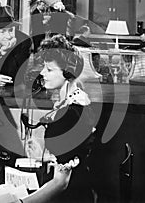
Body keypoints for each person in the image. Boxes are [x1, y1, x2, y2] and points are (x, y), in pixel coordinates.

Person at [25, 34, 96, 202]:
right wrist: (42, 152)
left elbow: (61, 183)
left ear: (68, 73)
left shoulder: (71, 114)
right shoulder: (75, 99)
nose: (42, 73)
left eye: (49, 69)